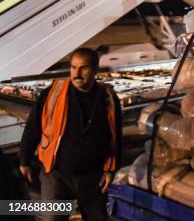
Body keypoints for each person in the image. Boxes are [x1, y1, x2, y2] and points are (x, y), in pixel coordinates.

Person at [19, 48, 122, 221]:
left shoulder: (107, 98)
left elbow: (115, 136)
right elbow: (34, 125)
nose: (77, 73)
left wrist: (110, 169)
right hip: (57, 174)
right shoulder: (54, 93)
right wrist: (24, 159)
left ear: (95, 69)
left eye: (83, 68)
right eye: (73, 68)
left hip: (93, 177)